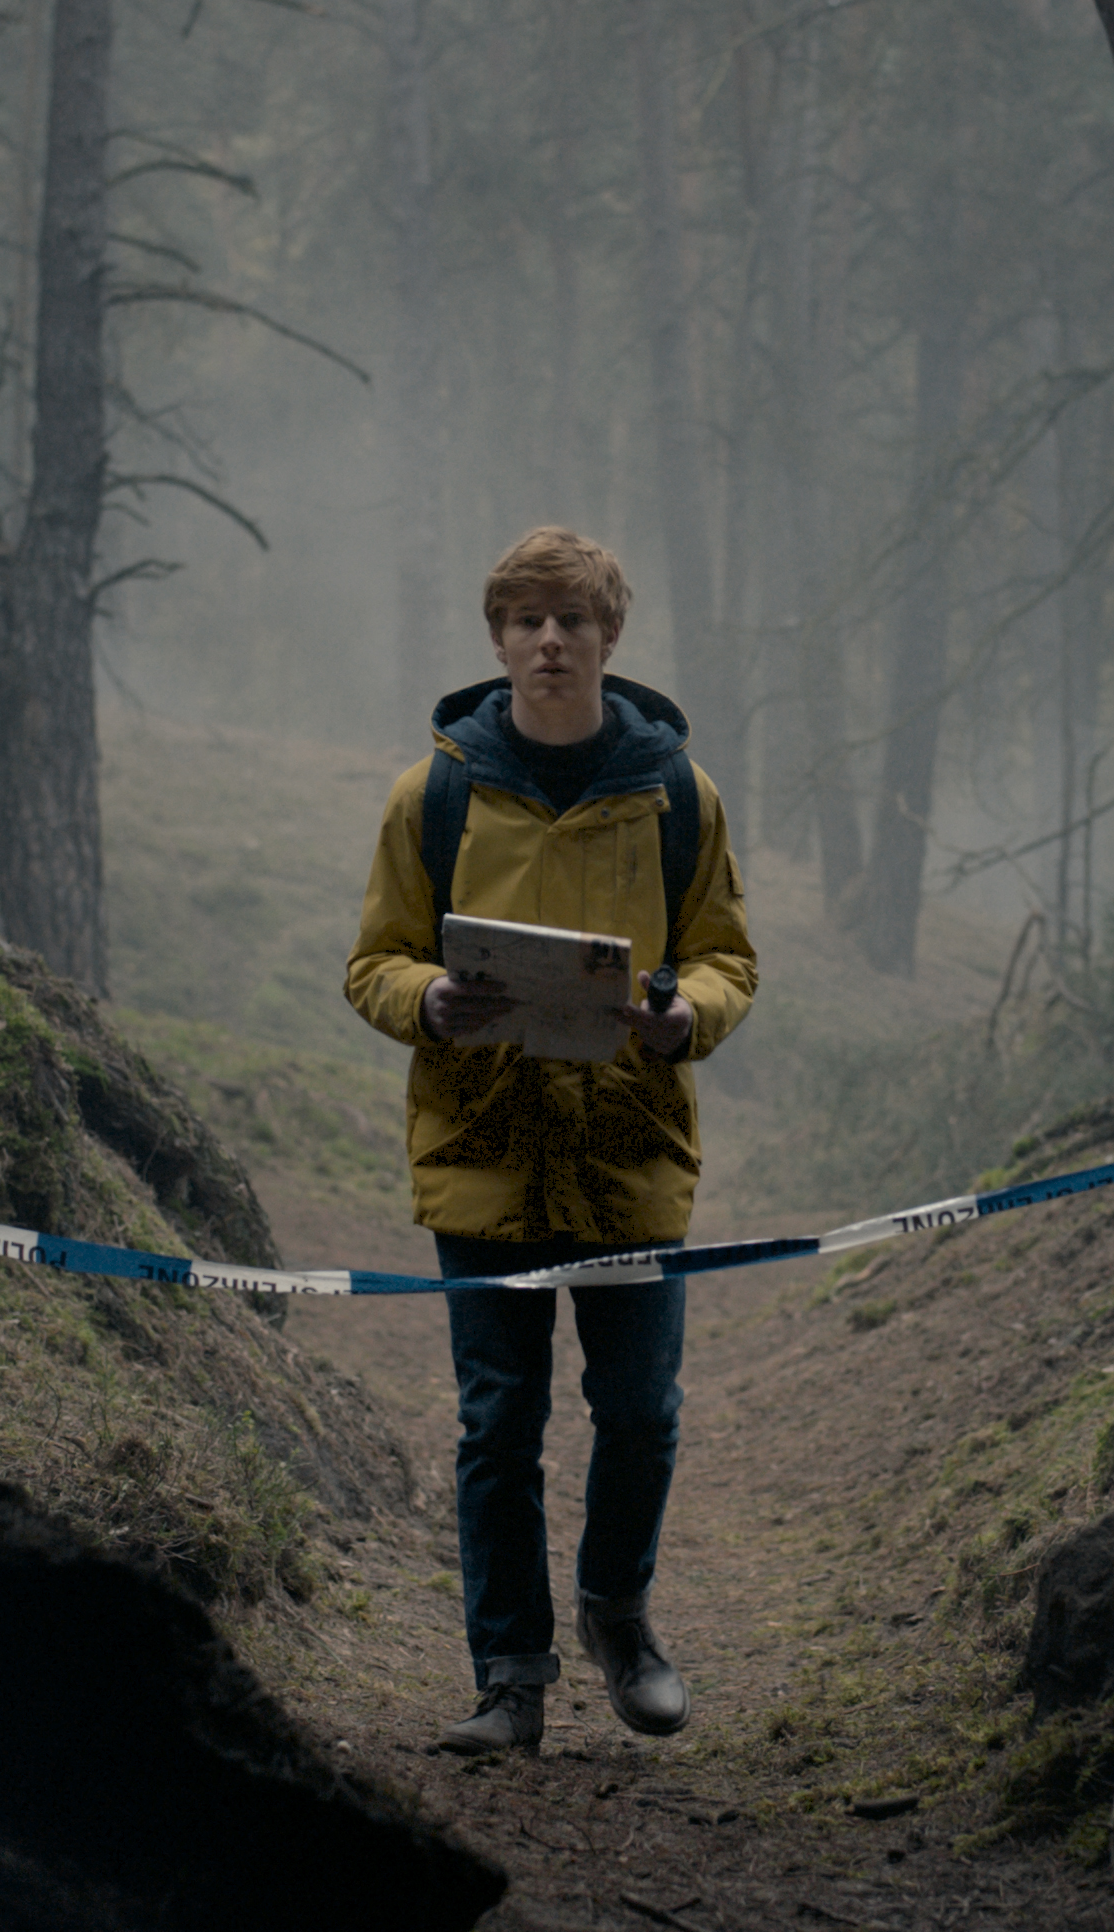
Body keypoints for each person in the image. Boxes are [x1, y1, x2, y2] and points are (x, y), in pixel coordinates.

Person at [346, 527, 758, 1756]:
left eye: (570, 620)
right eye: (525, 619)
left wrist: (689, 1017)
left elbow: (730, 958)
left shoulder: (679, 795)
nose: (547, 640)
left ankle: (618, 1619)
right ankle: (507, 1679)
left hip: (627, 1156)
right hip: (483, 1153)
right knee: (497, 1423)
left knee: (639, 1412)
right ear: (496, 640)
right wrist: (425, 1001)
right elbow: (373, 961)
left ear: (607, 639)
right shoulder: (435, 794)